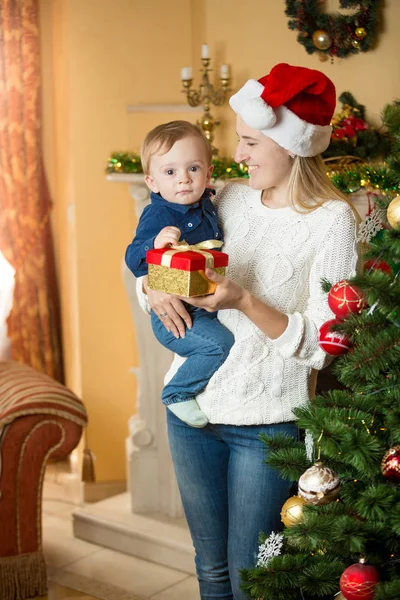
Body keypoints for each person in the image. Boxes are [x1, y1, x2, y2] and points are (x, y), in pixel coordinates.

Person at [136, 63, 359, 600]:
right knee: (209, 571)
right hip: (193, 412)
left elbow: (328, 343)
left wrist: (244, 300)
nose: (238, 155)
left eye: (251, 141)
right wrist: (156, 284)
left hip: (265, 426)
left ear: (292, 145)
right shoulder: (227, 198)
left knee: (251, 581)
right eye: (240, 141)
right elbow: (161, 257)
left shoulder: (333, 220)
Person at [125, 120, 234, 428]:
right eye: (170, 172)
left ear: (209, 172)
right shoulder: (159, 214)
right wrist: (154, 246)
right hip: (177, 315)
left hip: (205, 306)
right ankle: (177, 393)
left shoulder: (208, 203)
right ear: (152, 181)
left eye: (194, 169)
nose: (184, 180)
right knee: (219, 344)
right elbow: (133, 258)